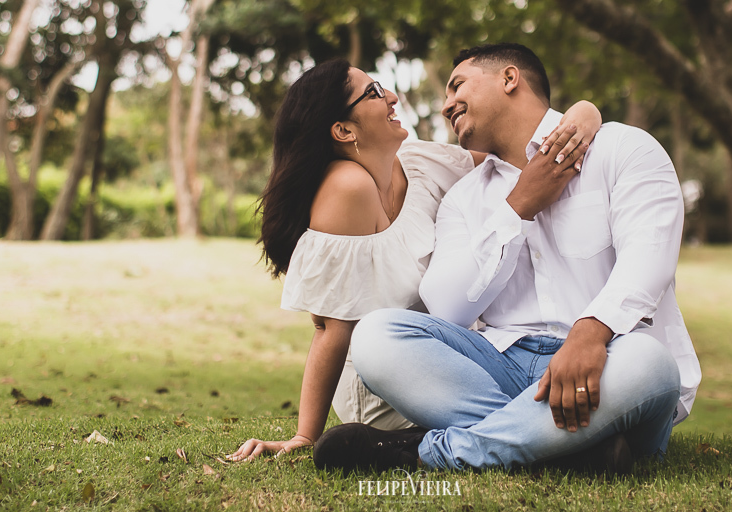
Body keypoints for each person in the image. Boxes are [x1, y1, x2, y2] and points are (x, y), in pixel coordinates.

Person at [316, 43, 701, 473]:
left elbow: (648, 260)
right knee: (376, 335)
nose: (446, 105)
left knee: (651, 364)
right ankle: (567, 448)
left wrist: (589, 335)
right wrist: (518, 206)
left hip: (609, 360)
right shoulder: (464, 197)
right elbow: (447, 308)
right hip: (502, 366)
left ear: (509, 78)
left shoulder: (623, 149)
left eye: (457, 84)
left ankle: (430, 453)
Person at [229, 58, 603, 461]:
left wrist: (583, 114)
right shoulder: (347, 188)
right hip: (395, 382)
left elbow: (516, 160)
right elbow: (331, 329)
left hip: (455, 362)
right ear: (343, 130)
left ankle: (532, 441)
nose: (390, 97)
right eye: (372, 93)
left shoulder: (421, 162)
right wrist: (305, 435)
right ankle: (565, 443)